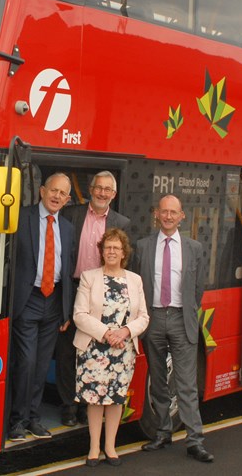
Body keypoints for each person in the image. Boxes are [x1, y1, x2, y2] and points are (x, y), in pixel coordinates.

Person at [136, 195, 214, 463]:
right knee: (157, 380)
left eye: (174, 212)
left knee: (186, 384)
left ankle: (195, 440)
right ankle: (162, 432)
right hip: (153, 318)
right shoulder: (143, 247)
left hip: (182, 319)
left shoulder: (194, 248)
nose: (168, 216)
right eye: (164, 212)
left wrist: (187, 312)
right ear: (156, 214)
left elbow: (197, 288)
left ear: (182, 216)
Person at [57, 171, 131, 426]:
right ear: (90, 189)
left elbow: (127, 263)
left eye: (107, 189)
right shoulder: (70, 214)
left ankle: (87, 406)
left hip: (104, 292)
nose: (102, 193)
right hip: (72, 287)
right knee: (68, 352)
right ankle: (68, 406)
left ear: (114, 194)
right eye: (98, 187)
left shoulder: (122, 223)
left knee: (93, 352)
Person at [8, 173, 75, 442]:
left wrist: (66, 310)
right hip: (28, 299)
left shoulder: (68, 228)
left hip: (54, 302)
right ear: (42, 191)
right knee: (26, 362)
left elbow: (68, 270)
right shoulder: (21, 218)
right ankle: (16, 421)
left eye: (63, 194)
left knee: (41, 364)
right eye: (53, 191)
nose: (57, 196)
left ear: (68, 199)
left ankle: (33, 419)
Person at [73, 228, 149, 466]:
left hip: (123, 350)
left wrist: (125, 332)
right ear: (102, 251)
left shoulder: (135, 280)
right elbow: (79, 315)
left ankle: (110, 446)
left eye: (116, 247)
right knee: (95, 399)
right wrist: (106, 333)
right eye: (108, 247)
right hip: (94, 348)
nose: (112, 251)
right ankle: (94, 448)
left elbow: (144, 317)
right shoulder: (89, 277)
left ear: (124, 252)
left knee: (116, 399)